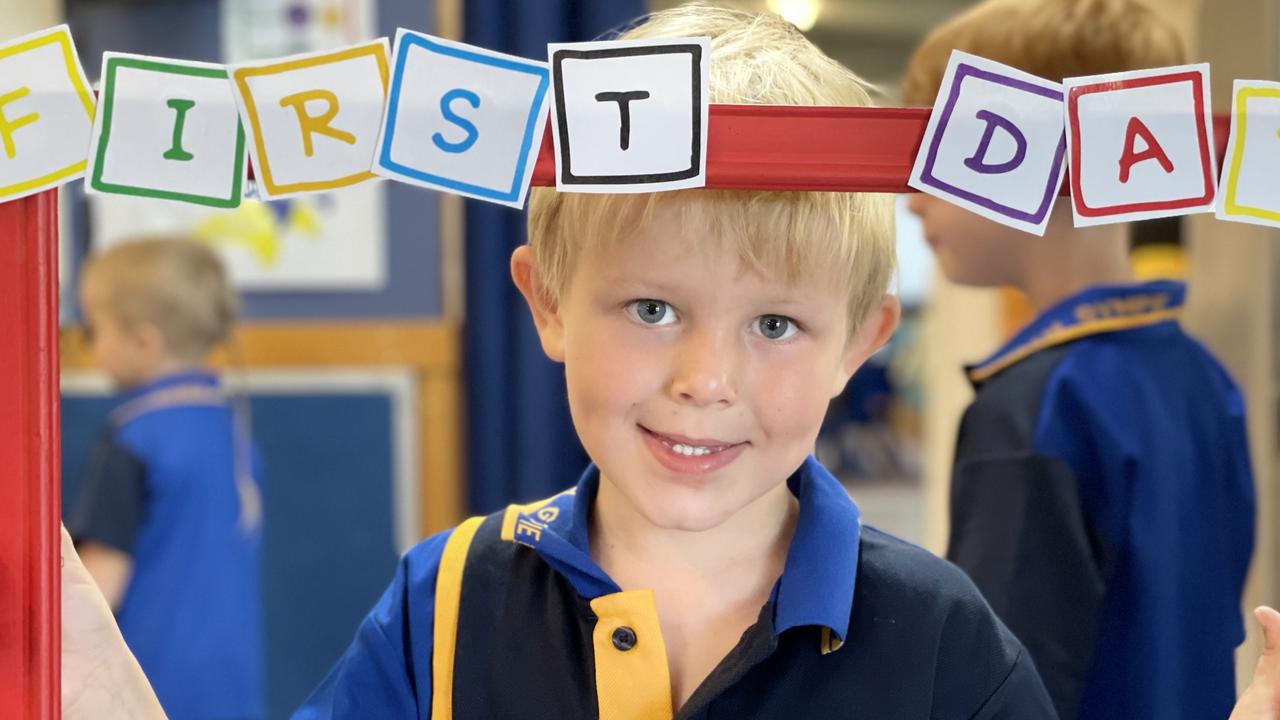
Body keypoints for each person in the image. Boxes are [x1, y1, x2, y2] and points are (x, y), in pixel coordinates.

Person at [903, 1, 1256, 717]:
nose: (910, 198)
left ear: (1019, 149)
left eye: (932, 148)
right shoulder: (1203, 378)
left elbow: (995, 685)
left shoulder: (1034, 408)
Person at [68, 237, 264, 720]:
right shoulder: (230, 425)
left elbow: (98, 586)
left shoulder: (135, 437)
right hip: (229, 686)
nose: (90, 346)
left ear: (142, 341)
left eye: (93, 330)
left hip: (143, 686)